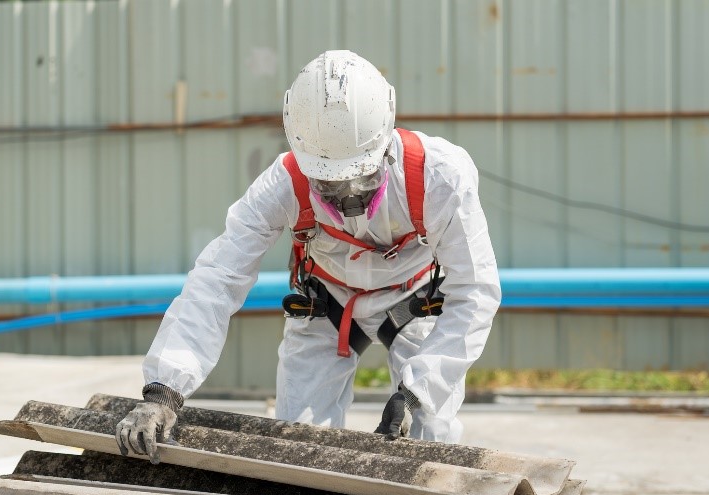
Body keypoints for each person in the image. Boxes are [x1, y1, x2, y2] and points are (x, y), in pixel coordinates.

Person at [115, 50, 501, 463]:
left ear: (385, 142)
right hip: (326, 304)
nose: (349, 202)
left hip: (413, 300)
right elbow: (217, 280)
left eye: (363, 180)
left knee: (432, 443)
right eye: (330, 187)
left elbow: (474, 291)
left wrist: (418, 388)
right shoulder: (281, 186)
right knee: (298, 450)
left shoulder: (440, 177)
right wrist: (164, 388)